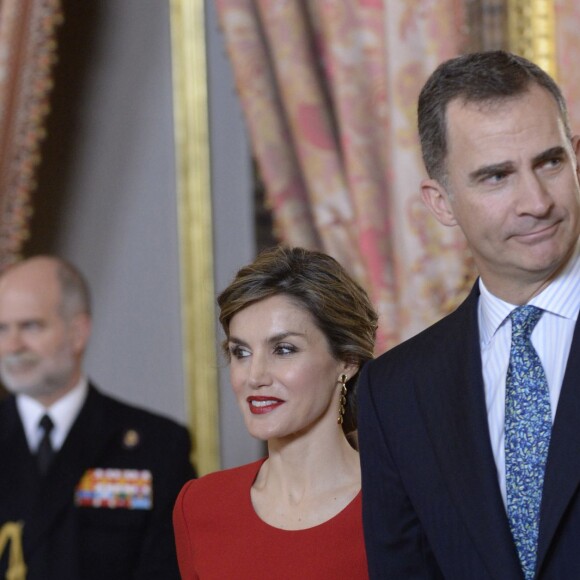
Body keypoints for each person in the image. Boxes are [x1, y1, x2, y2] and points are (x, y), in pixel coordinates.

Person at [358, 50, 580, 579]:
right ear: (442, 203)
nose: (535, 200)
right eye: (497, 176)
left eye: (549, 162)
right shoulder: (395, 392)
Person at [173, 246, 378, 579]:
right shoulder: (200, 505)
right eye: (240, 352)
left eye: (283, 349)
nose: (254, 376)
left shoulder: (402, 500)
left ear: (347, 360)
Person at [0, 256, 196, 579]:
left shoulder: (158, 446)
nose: (13, 345)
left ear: (78, 332)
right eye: (3, 328)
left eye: (30, 326)